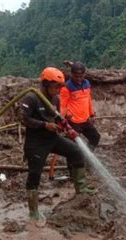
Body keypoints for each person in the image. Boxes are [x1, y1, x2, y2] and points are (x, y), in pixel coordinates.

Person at [19, 67, 95, 227]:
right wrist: (44, 125)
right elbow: (23, 119)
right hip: (36, 143)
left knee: (76, 152)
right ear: (46, 84)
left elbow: (57, 117)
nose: (59, 90)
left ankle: (81, 189)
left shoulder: (56, 99)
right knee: (35, 175)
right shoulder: (31, 98)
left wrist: (64, 125)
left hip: (52, 139)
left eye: (60, 87)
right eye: (56, 87)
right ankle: (33, 212)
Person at [60, 61, 100, 151]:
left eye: (80, 76)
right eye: (76, 76)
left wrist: (91, 114)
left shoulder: (87, 84)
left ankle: (87, 157)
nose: (78, 78)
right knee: (72, 147)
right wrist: (64, 120)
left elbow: (88, 99)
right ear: (71, 74)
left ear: (84, 74)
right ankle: (73, 164)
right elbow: (62, 105)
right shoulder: (66, 88)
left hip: (85, 120)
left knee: (95, 137)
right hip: (73, 122)